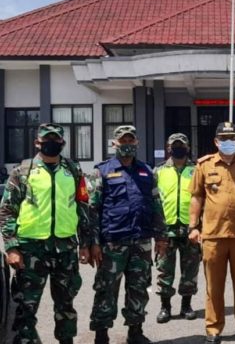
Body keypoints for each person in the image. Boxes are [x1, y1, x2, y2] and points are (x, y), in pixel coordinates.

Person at [0, 123, 93, 344]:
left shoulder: (73, 170)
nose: (51, 143)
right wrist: (11, 247)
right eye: (46, 140)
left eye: (55, 140)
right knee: (26, 306)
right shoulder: (22, 172)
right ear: (37, 143)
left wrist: (85, 244)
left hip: (65, 248)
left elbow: (83, 207)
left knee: (66, 304)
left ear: (62, 143)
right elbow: (7, 210)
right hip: (32, 250)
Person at [89, 125, 168, 344]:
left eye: (130, 141)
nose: (127, 145)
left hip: (141, 241)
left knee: (139, 288)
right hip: (112, 242)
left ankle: (135, 331)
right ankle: (101, 333)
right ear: (114, 144)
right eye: (122, 142)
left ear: (137, 143)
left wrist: (161, 237)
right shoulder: (101, 171)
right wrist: (93, 243)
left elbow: (155, 204)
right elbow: (92, 210)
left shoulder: (146, 171)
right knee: (106, 290)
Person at [188, 122, 235, 344]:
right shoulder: (204, 165)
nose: (228, 142)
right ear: (216, 141)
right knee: (214, 286)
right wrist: (193, 226)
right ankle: (213, 328)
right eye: (224, 138)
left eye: (232, 138)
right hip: (213, 235)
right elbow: (197, 197)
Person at [154, 133, 200, 323]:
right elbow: (153, 201)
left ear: (188, 148)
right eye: (174, 145)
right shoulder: (158, 171)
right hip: (166, 229)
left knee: (190, 269)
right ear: (168, 148)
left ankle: (186, 305)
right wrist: (156, 228)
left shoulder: (197, 170)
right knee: (164, 269)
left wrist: (198, 225)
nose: (177, 148)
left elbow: (202, 199)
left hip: (191, 228)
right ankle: (165, 307)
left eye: (181, 145)